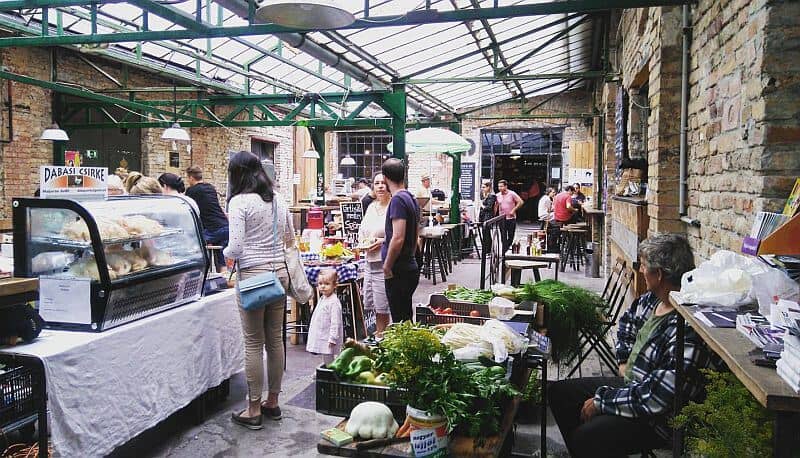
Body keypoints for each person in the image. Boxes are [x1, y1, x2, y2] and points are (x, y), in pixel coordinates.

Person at [548, 234, 717, 457]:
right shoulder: (652, 299)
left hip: (659, 419)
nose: (641, 271)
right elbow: (627, 323)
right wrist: (623, 360)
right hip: (633, 384)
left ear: (658, 274)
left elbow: (657, 398)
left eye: (643, 266)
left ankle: (589, 445)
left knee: (587, 436)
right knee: (559, 393)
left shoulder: (686, 329)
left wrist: (601, 402)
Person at [223, 151, 294, 430]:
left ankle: (253, 409)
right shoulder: (278, 199)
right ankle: (272, 402)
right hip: (278, 274)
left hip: (253, 277)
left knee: (253, 343)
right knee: (275, 339)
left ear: (236, 174)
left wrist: (225, 254)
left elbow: (235, 247)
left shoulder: (239, 202)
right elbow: (289, 237)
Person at [381, 158, 421, 323]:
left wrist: (387, 265)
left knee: (399, 320)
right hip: (409, 267)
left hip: (399, 270)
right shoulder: (411, 197)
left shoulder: (397, 200)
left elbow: (398, 237)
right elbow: (416, 232)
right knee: (405, 318)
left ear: (385, 178)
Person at [358, 173, 392, 337]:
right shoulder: (371, 207)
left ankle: (381, 337)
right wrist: (362, 242)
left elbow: (396, 236)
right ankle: (378, 336)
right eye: (377, 183)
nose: (380, 186)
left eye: (383, 183)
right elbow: (362, 230)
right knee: (371, 304)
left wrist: (381, 241)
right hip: (369, 263)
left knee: (382, 306)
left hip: (383, 263)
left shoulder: (393, 207)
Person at [185, 165, 229, 270]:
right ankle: (222, 275)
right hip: (225, 227)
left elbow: (188, 210)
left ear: (191, 177)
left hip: (212, 230)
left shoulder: (191, 191)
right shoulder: (210, 187)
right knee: (221, 261)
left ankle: (198, 270)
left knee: (189, 242)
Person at [306, 270, 343, 364]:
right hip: (323, 333)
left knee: (329, 356)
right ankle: (326, 367)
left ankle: (330, 369)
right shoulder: (323, 298)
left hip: (329, 336)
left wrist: (333, 338)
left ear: (334, 285)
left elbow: (336, 322)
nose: (322, 286)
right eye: (320, 284)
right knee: (325, 354)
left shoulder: (334, 302)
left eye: (327, 284)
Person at [494, 179, 523, 253]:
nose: (500, 188)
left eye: (501, 186)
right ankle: (504, 252)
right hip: (502, 218)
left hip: (511, 218)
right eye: (499, 186)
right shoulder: (497, 195)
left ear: (506, 186)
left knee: (511, 236)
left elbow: (520, 202)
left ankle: (506, 249)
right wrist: (494, 216)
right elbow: (496, 206)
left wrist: (513, 210)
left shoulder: (512, 193)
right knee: (503, 236)